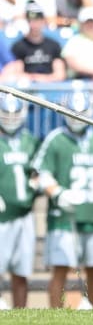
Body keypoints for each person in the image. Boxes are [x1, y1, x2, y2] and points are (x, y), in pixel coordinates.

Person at [31, 92, 93, 308]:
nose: (76, 118)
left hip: (90, 215)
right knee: (61, 268)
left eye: (81, 113)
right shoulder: (56, 138)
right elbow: (39, 173)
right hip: (63, 217)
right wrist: (58, 193)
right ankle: (57, 315)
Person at [0, 93, 39, 309]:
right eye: (6, 113)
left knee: (21, 271)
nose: (10, 118)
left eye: (14, 113)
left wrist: (37, 181)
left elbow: (38, 170)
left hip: (25, 215)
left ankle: (20, 314)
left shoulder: (30, 141)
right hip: (2, 217)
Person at [10, 2, 66, 83]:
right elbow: (18, 73)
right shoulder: (19, 46)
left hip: (51, 87)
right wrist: (35, 79)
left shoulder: (53, 45)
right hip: (28, 89)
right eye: (31, 21)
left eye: (37, 20)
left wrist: (41, 79)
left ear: (43, 21)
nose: (34, 25)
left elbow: (60, 74)